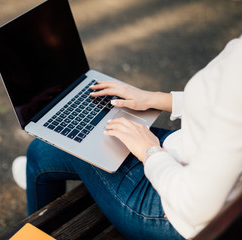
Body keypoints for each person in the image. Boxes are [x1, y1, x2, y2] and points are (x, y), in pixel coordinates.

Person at [12, 35, 242, 239]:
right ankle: (40, 193)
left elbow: (194, 206)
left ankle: (38, 216)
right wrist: (153, 99)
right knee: (41, 152)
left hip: (173, 213)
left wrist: (149, 152)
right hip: (191, 157)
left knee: (46, 151)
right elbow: (221, 102)